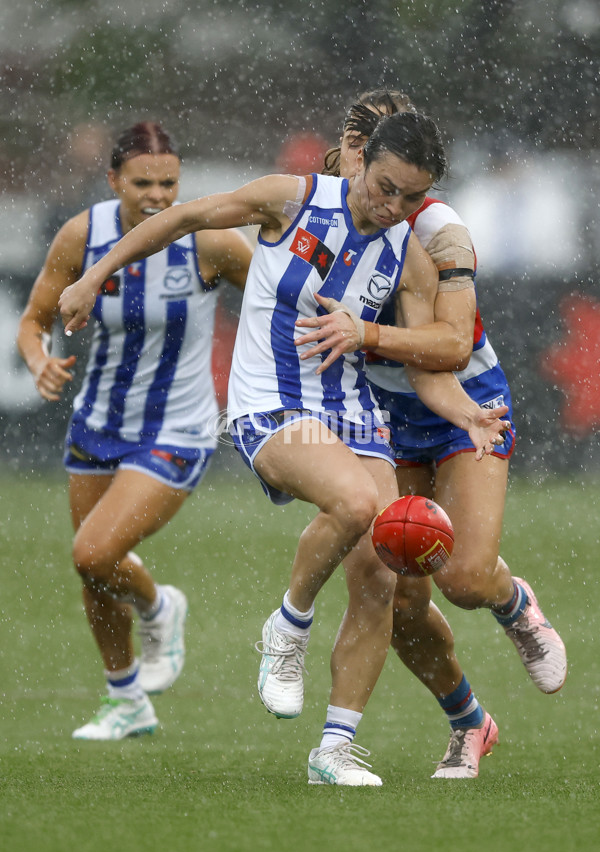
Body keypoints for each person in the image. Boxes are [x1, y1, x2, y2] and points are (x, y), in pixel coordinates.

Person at [57, 110, 510, 785]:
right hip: (271, 404)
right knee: (357, 501)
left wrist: (467, 413)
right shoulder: (290, 198)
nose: (396, 206)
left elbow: (427, 368)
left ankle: (334, 749)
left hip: (355, 415)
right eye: (387, 187)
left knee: (382, 573)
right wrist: (96, 276)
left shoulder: (410, 255)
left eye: (413, 197)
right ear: (362, 162)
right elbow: (182, 220)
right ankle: (289, 624)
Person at [295, 89, 567, 777]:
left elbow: (445, 348)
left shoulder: (440, 231)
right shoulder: (317, 206)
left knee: (465, 578)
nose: (379, 182)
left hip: (460, 403)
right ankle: (469, 723)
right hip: (378, 421)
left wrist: (367, 332)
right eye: (356, 146)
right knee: (402, 598)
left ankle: (514, 602)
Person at [17, 121, 253, 741]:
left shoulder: (209, 241)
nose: (157, 195)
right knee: (93, 570)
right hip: (97, 421)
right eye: (142, 182)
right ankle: (126, 699)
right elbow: (33, 320)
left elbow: (277, 301)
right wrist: (40, 361)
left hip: (180, 426)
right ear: (113, 180)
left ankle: (158, 606)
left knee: (95, 551)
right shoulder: (83, 234)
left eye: (169, 182)